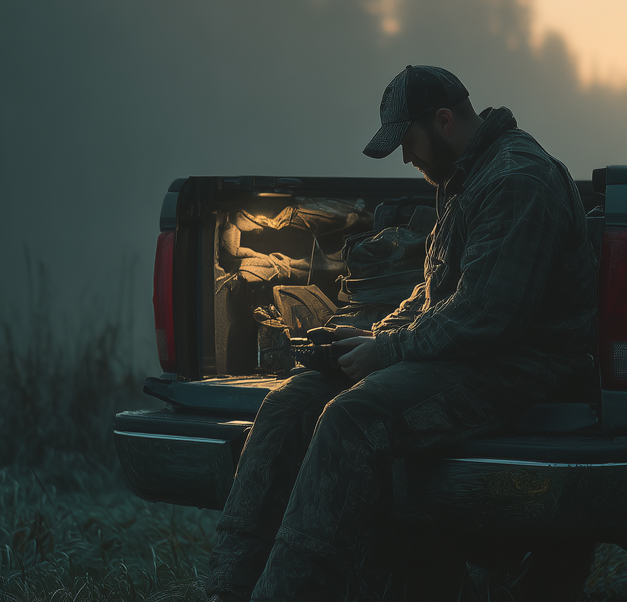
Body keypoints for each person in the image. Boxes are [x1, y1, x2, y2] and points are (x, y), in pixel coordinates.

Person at [206, 65, 599, 602]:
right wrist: (367, 338)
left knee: (352, 418)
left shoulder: (516, 180)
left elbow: (486, 316)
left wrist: (386, 351)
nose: (407, 159)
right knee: (289, 403)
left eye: (408, 143)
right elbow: (436, 292)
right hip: (464, 356)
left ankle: (291, 590)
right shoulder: (466, 177)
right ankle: (224, 589)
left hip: (518, 367)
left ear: (443, 121)